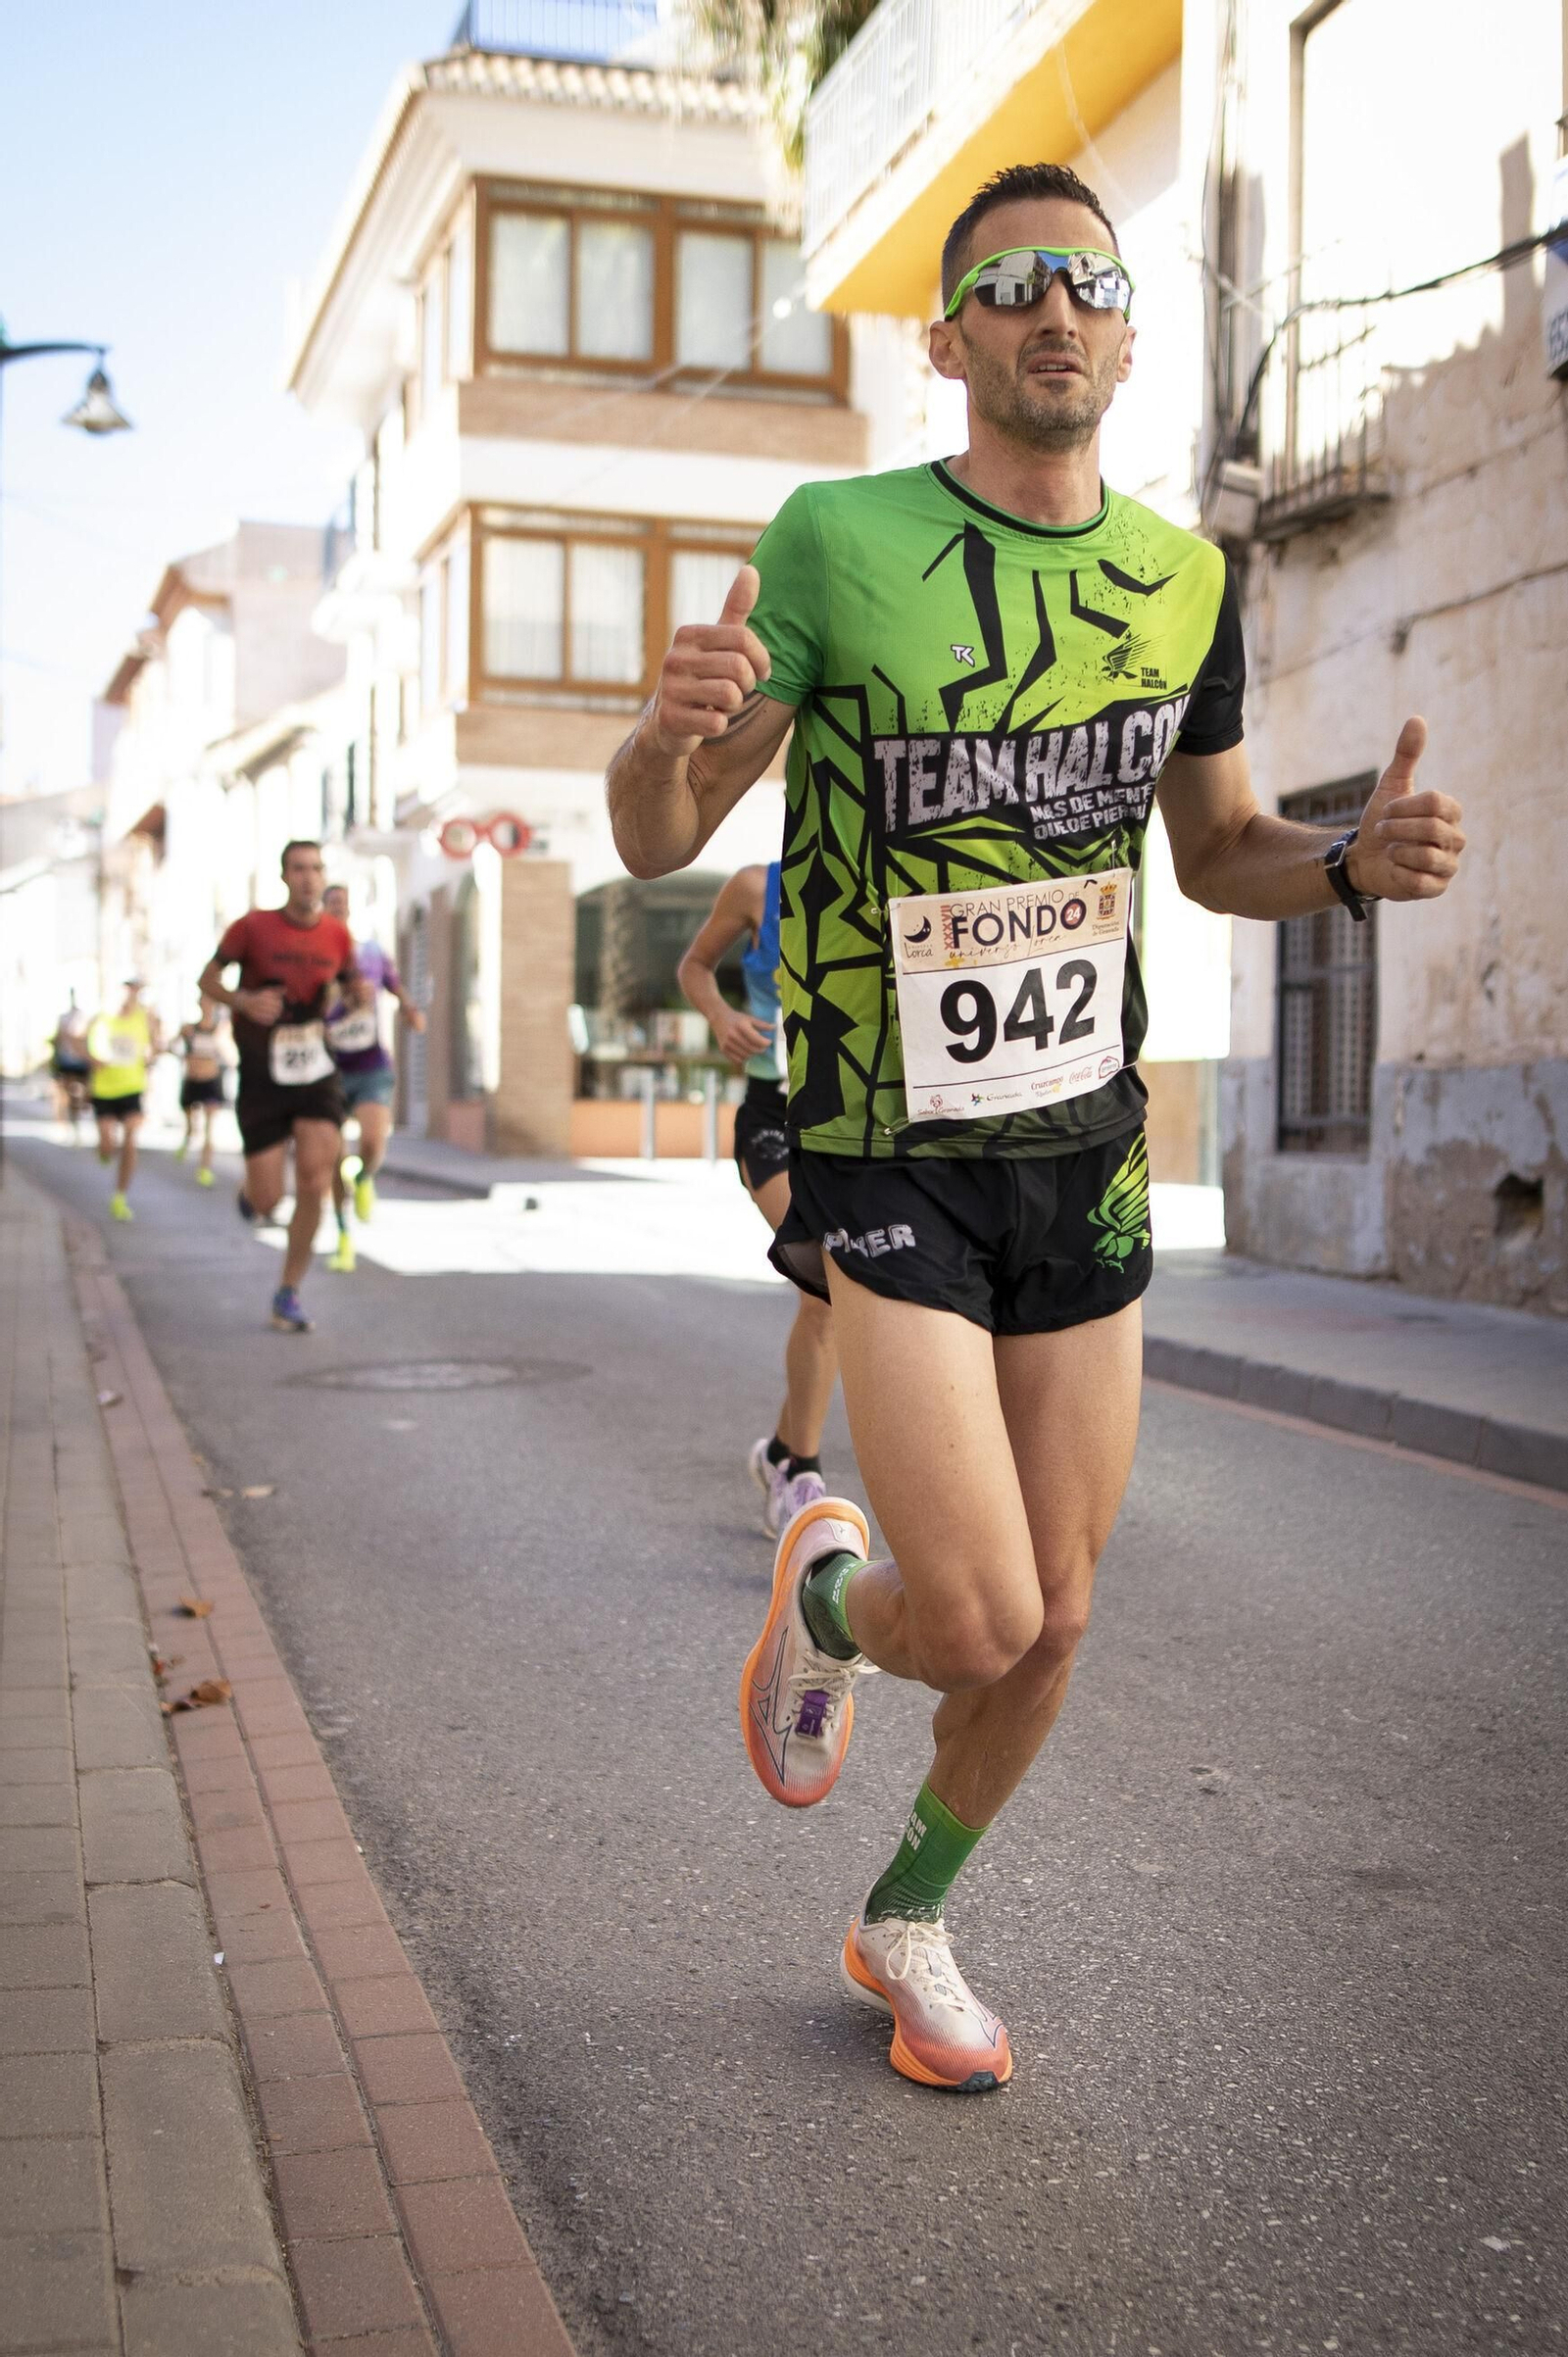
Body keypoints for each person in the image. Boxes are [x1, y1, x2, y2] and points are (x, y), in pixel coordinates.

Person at [606, 161, 1467, 2092]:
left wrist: (1347, 866)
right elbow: (661, 837)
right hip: (884, 1130)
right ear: (949, 341)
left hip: (1073, 1141)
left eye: (1085, 277)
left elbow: (1218, 844)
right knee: (974, 1605)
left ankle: (903, 1914)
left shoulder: (1183, 581)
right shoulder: (834, 539)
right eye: (1006, 285)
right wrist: (665, 729)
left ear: (1129, 328)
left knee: (1057, 1615)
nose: (1049, 307)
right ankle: (827, 1591)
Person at [677, 861, 837, 1535]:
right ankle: (802, 1471)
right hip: (772, 1118)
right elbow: (694, 965)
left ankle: (778, 1452)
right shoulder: (755, 887)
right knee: (827, 1280)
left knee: (838, 1294)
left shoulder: (889, 869)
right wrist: (721, 1015)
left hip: (846, 1122)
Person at [197, 842, 365, 1334]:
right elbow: (207, 978)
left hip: (316, 1069)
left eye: (316, 869)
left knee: (315, 1179)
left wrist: (359, 996)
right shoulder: (252, 927)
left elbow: (352, 990)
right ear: (284, 876)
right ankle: (256, 1196)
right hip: (263, 1074)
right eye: (299, 869)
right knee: (270, 1201)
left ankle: (288, 1291)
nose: (309, 878)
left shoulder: (338, 934)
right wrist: (242, 1001)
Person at [318, 883, 424, 1275]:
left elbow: (396, 987)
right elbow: (304, 1014)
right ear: (323, 912)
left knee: (372, 1141)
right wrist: (340, 1005)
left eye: (343, 905)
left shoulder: (371, 953)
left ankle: (364, 1177)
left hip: (370, 1065)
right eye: (332, 906)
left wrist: (411, 1012)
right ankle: (344, 1235)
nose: (339, 911)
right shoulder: (314, 962)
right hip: (326, 1071)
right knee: (332, 1155)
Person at [85, 979, 162, 1221]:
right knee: (108, 1143)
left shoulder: (144, 1017)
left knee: (130, 1139)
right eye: (126, 988)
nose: (130, 993)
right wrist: (93, 1060)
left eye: (135, 989)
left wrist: (154, 1052)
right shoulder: (101, 1018)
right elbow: (80, 1042)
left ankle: (120, 1197)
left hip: (132, 1087)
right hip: (105, 1090)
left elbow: (156, 1044)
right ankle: (105, 1151)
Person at [173, 995, 230, 1186]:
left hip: (211, 1082)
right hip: (192, 1080)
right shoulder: (189, 1029)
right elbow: (173, 1046)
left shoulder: (220, 1030)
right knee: (191, 1124)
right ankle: (187, 1137)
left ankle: (204, 1169)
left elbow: (230, 1053)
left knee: (209, 1129)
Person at [50, 994, 92, 1137]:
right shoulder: (63, 1018)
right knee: (63, 1093)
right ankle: (63, 1123)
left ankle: (74, 1119)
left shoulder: (85, 1019)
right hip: (66, 1061)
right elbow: (58, 1039)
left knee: (76, 1093)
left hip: (80, 1062)